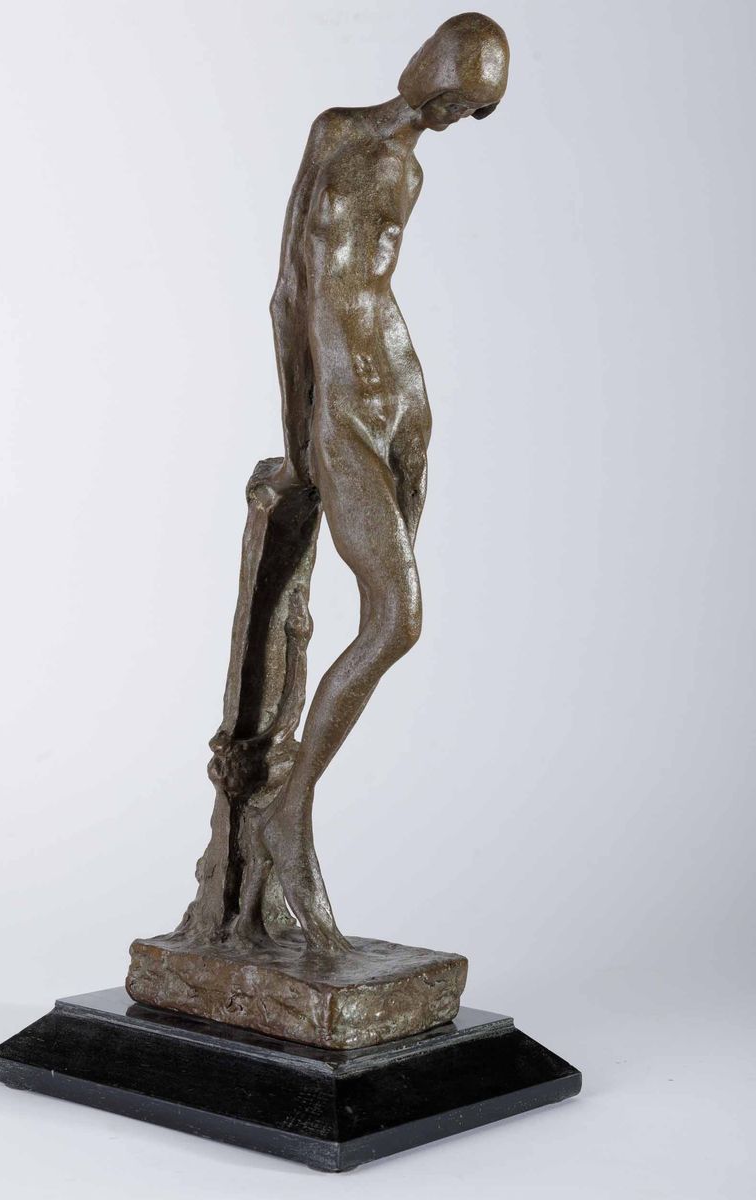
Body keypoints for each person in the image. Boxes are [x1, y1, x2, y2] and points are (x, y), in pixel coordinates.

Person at [241, 14, 510, 952]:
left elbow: (374, 294)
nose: (454, 116)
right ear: (427, 66)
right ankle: (285, 817)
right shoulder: (335, 133)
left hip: (401, 391)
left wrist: (412, 414)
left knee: (393, 610)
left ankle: (288, 815)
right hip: (344, 408)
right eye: (456, 95)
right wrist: (297, 438)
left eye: (473, 110)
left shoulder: (412, 173)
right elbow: (290, 292)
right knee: (397, 617)